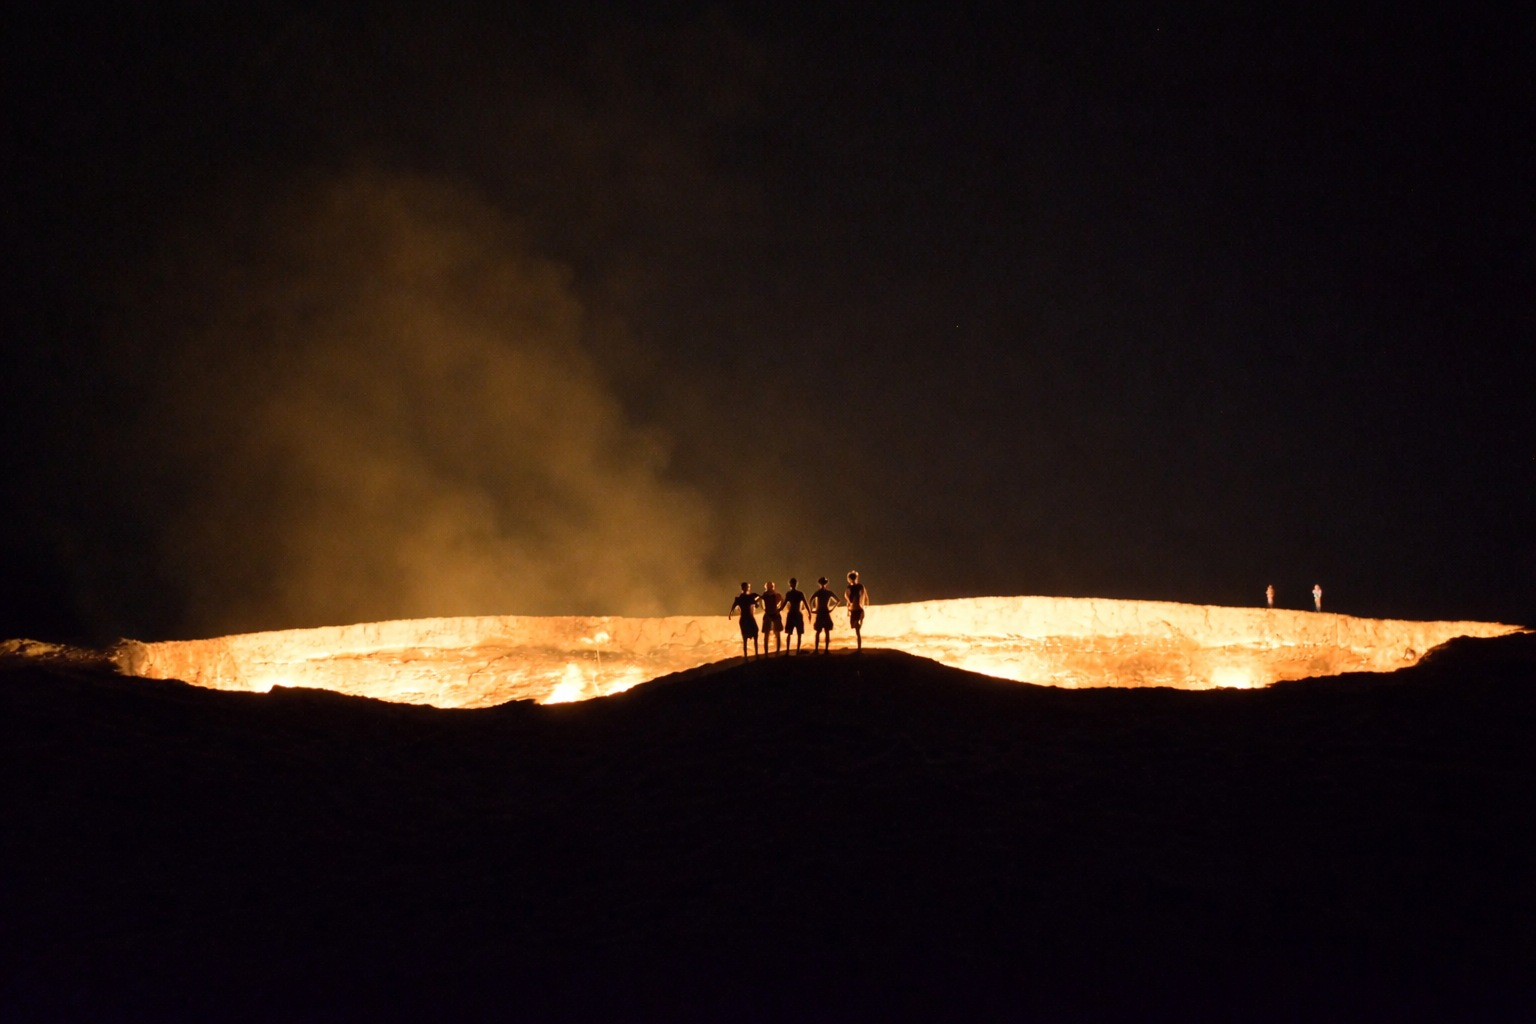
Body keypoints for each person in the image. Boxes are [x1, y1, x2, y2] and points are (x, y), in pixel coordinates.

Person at [728, 582, 762, 659]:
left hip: (745, 618)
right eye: (747, 587)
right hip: (748, 618)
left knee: (748, 636)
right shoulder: (748, 597)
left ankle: (750, 655)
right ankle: (753, 655)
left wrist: (730, 614)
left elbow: (733, 606)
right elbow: (757, 602)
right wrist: (730, 614)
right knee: (751, 634)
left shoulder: (742, 598)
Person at [809, 577, 839, 653]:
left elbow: (811, 600)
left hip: (820, 612)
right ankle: (825, 649)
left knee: (819, 631)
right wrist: (831, 609)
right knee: (826, 631)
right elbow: (837, 600)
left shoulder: (818, 592)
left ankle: (817, 649)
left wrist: (812, 609)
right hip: (825, 612)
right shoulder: (828, 592)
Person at [843, 570, 870, 651]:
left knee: (857, 630)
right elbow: (865, 597)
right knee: (857, 629)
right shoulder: (859, 586)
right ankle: (859, 648)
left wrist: (849, 607)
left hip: (855, 610)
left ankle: (859, 649)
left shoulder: (851, 587)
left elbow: (848, 598)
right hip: (857, 609)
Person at [782, 577, 811, 654]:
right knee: (799, 634)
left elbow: (783, 606)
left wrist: (777, 610)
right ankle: (797, 650)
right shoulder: (800, 594)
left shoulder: (789, 594)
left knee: (790, 633)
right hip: (797, 614)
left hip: (792, 614)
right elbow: (806, 604)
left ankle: (788, 651)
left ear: (790, 584)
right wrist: (809, 613)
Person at [760, 581, 785, 655]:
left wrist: (779, 609)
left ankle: (777, 652)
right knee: (767, 634)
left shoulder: (775, 595)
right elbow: (760, 601)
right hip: (769, 615)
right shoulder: (765, 595)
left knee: (776, 634)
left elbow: (782, 600)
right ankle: (767, 653)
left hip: (774, 614)